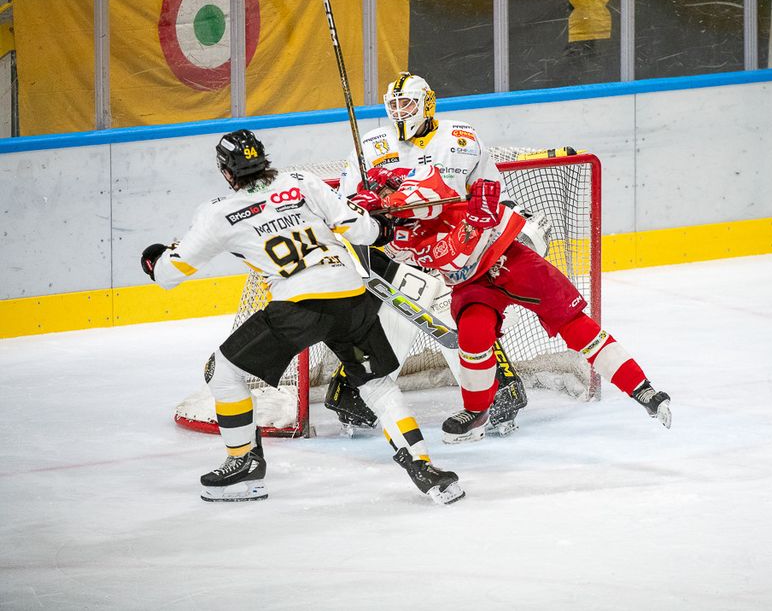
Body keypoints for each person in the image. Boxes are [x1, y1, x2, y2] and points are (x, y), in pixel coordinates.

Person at [140, 129, 464, 504]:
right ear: (264, 159)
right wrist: (380, 223)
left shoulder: (218, 213)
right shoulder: (300, 181)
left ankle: (243, 462)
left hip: (299, 307)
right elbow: (365, 230)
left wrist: (154, 259)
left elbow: (169, 273)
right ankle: (423, 467)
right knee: (376, 384)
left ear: (226, 172)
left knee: (222, 371)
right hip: (351, 296)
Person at [356, 163, 673, 443]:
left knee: (573, 323)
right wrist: (370, 219)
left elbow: (428, 190)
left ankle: (642, 388)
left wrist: (388, 203)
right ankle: (477, 411)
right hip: (472, 283)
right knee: (472, 338)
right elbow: (450, 255)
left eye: (384, 195)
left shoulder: (417, 178)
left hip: (510, 257)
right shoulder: (398, 239)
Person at [329, 71, 534, 435]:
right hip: (394, 249)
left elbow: (490, 192)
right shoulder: (372, 145)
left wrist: (494, 220)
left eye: (407, 104)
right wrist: (361, 204)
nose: (399, 112)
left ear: (427, 103)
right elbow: (344, 204)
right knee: (387, 319)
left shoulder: (462, 138)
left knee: (460, 320)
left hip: (455, 250)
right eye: (393, 105)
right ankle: (355, 395)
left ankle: (499, 390)